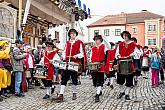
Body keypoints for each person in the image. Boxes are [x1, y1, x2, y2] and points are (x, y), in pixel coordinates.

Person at [52, 29, 87, 102]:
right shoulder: (67, 43)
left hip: (74, 64)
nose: (73, 35)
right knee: (64, 78)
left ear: (76, 34)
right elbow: (64, 52)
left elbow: (82, 53)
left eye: (74, 34)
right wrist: (64, 56)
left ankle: (74, 93)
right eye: (71, 34)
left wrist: (76, 56)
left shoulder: (79, 42)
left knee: (74, 79)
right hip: (67, 64)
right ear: (69, 35)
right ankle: (61, 94)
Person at [115, 31, 136, 100]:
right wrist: (118, 55)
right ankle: (122, 91)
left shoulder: (133, 44)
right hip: (121, 63)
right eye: (123, 36)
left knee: (129, 81)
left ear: (129, 36)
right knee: (120, 81)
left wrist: (133, 54)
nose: (125, 37)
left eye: (126, 36)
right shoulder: (120, 44)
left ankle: (127, 93)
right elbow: (117, 52)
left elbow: (138, 53)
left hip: (129, 63)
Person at [89, 35, 107, 102]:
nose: (96, 41)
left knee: (99, 81)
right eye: (95, 40)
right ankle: (99, 90)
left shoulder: (103, 46)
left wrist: (104, 38)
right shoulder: (93, 48)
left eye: (98, 39)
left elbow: (109, 47)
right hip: (94, 66)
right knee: (95, 81)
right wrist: (90, 62)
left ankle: (97, 94)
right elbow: (91, 57)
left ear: (100, 40)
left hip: (100, 66)